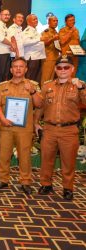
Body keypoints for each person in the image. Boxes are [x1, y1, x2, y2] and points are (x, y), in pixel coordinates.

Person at [34, 55, 86, 200]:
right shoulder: (47, 86)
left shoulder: (79, 85)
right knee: (46, 159)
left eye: (66, 67)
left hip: (69, 130)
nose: (63, 70)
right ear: (56, 69)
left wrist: (82, 87)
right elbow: (41, 107)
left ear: (72, 69)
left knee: (68, 161)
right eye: (59, 67)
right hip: (50, 129)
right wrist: (36, 122)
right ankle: (46, 184)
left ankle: (68, 188)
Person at [0, 57, 42, 194]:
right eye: (15, 66)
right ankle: (3, 180)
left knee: (24, 156)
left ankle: (25, 181)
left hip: (24, 128)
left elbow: (39, 105)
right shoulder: (3, 86)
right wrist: (2, 118)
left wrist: (32, 91)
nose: (18, 69)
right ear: (11, 69)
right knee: (4, 155)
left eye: (21, 66)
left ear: (26, 69)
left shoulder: (33, 85)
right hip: (6, 127)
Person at [23, 14, 46, 83]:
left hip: (37, 57)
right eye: (34, 19)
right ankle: (27, 93)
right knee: (30, 78)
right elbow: (25, 42)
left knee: (36, 80)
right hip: (32, 58)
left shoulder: (35, 30)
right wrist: (39, 39)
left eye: (36, 19)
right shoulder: (27, 31)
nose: (36, 21)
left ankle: (34, 92)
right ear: (28, 22)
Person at [0, 9, 15, 87]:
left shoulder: (4, 26)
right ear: (0, 15)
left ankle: (2, 93)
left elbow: (8, 39)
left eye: (8, 15)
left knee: (5, 75)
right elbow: (1, 38)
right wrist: (11, 44)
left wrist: (11, 46)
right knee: (0, 74)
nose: (7, 16)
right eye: (5, 14)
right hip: (1, 53)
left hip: (6, 53)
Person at [40, 16, 60, 84]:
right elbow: (44, 43)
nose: (56, 22)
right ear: (48, 22)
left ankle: (49, 93)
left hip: (55, 57)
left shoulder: (56, 32)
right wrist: (53, 39)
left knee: (51, 79)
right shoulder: (46, 32)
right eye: (54, 21)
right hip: (48, 58)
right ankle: (43, 93)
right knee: (46, 78)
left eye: (57, 21)